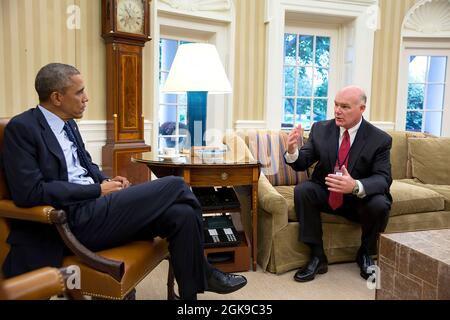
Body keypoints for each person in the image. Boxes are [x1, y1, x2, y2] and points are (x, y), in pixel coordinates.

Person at [1, 63, 247, 300]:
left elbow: (85, 167)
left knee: (180, 214)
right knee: (176, 185)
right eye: (79, 92)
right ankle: (206, 273)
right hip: (71, 221)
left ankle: (189, 298)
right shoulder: (23, 128)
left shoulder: (69, 125)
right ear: (56, 97)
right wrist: (97, 190)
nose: (86, 97)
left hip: (95, 209)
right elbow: (29, 192)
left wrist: (107, 181)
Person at [285, 85, 392, 282]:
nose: (337, 111)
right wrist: (293, 151)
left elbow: (383, 178)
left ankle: (366, 253)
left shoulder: (380, 139)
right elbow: (303, 162)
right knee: (303, 190)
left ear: (361, 109)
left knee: (380, 203)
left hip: (358, 199)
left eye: (344, 106)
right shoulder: (321, 129)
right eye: (335, 105)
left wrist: (355, 185)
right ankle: (317, 256)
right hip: (328, 193)